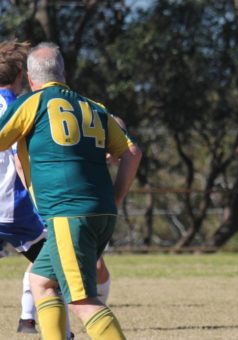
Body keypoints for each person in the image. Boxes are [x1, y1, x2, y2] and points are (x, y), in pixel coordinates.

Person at [0, 42, 141, 340]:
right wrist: (116, 197)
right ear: (63, 73)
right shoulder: (94, 107)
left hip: (68, 214)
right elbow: (132, 152)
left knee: (81, 300)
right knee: (41, 281)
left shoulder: (32, 103)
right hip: (101, 211)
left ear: (29, 76)